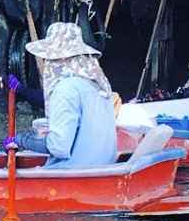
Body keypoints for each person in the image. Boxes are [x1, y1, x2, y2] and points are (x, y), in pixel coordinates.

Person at [11, 23, 118, 167]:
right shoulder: (98, 86)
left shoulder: (66, 89)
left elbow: (59, 147)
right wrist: (22, 90)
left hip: (72, 174)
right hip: (103, 169)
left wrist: (20, 140)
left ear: (58, 59)